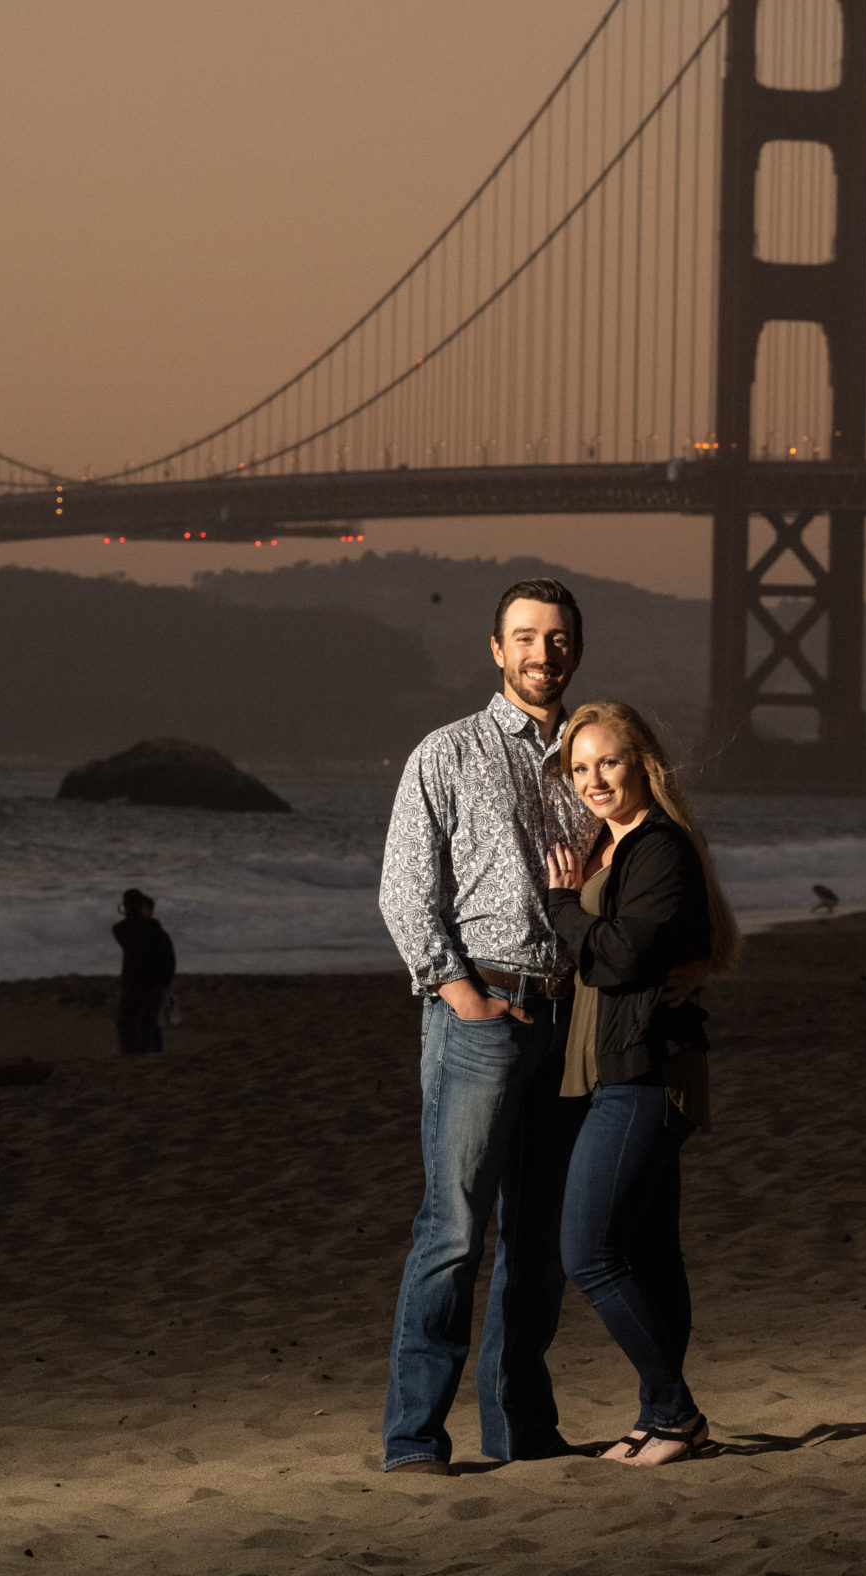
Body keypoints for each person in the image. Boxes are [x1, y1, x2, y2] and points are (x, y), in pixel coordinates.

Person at [376, 577, 599, 1475]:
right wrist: (457, 991)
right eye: (525, 638)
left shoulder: (594, 756)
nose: (543, 653)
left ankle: (522, 1436)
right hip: (482, 1018)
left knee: (539, 1239)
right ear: (496, 651)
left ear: (576, 649)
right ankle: (415, 1440)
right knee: (456, 1231)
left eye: (558, 638)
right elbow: (403, 888)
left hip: (571, 1020)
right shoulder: (449, 752)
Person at [546, 700, 740, 1468]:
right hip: (616, 1071)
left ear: (643, 763)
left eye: (609, 762)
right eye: (580, 767)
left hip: (646, 1074)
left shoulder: (657, 844)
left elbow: (623, 956)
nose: (594, 779)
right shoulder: (609, 844)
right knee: (654, 1257)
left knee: (587, 1251)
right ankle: (657, 1418)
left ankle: (676, 1414)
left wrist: (561, 905)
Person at [112, 888, 175, 1055]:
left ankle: (128, 1054)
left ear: (125, 906)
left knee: (125, 1022)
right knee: (147, 1022)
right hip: (152, 983)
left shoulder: (119, 929)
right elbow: (167, 956)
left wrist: (125, 912)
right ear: (141, 906)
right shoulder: (154, 927)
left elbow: (128, 927)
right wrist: (165, 980)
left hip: (130, 982)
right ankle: (143, 1053)